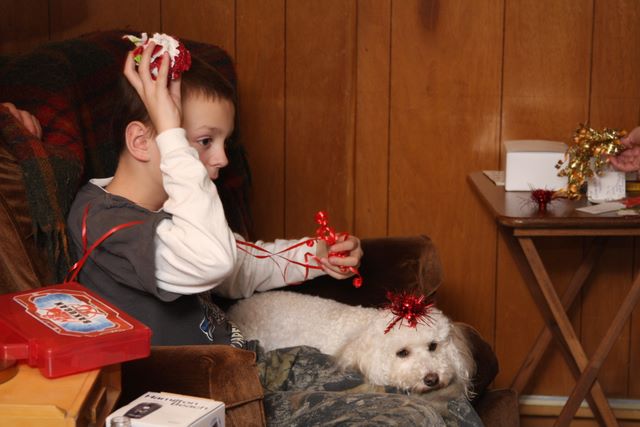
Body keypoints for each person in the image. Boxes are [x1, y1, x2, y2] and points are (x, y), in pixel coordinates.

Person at [65, 41, 363, 346]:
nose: (222, 159)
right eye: (205, 141)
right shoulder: (103, 222)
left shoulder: (177, 204)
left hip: (239, 357)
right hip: (192, 374)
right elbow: (213, 260)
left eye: (224, 143)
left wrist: (316, 256)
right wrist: (170, 134)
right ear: (142, 142)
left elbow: (238, 266)